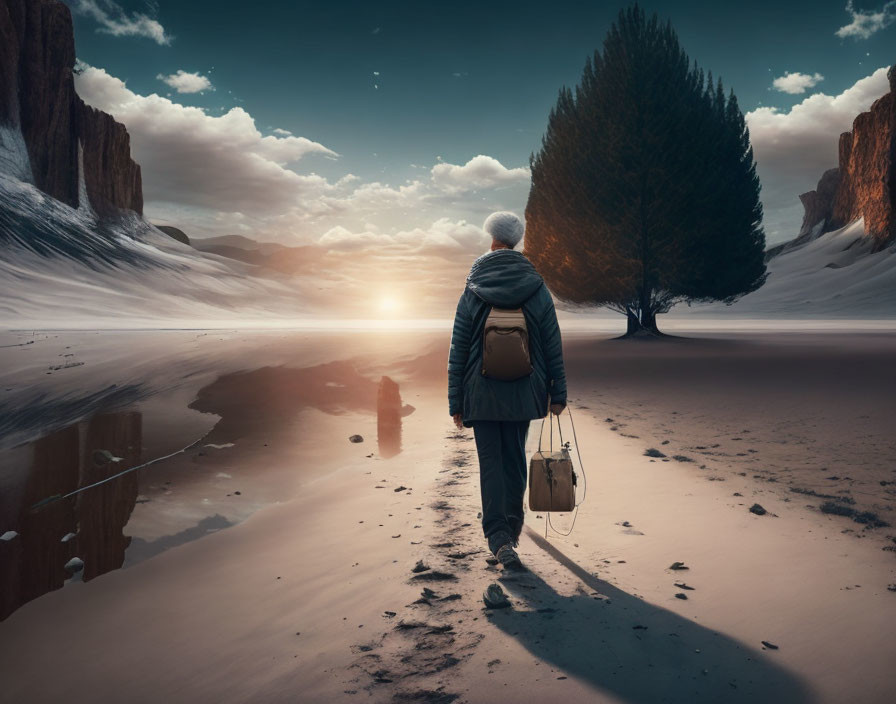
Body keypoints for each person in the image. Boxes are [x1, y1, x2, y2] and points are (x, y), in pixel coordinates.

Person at [447, 211, 567, 570]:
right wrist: (557, 392)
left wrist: (456, 399)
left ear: (491, 239)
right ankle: (512, 531)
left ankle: (498, 538)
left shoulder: (473, 285)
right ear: (516, 241)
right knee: (515, 461)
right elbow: (551, 342)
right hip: (523, 389)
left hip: (480, 392)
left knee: (491, 465)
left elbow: (459, 345)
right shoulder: (536, 286)